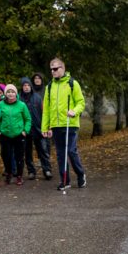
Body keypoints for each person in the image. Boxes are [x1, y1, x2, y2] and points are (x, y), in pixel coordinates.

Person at [41, 58, 86, 190]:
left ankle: (81, 175)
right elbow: (46, 110)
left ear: (63, 68)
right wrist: (45, 126)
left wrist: (74, 111)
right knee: (60, 154)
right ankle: (65, 181)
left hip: (70, 123)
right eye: (51, 69)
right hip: (56, 125)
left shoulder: (73, 83)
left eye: (55, 69)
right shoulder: (49, 87)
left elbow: (81, 102)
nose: (53, 71)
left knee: (71, 151)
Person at [20, 77, 52, 180]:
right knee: (27, 152)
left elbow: (44, 113)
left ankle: (47, 170)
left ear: (31, 86)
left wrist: (47, 127)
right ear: (22, 87)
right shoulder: (19, 99)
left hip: (39, 129)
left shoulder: (37, 97)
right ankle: (31, 171)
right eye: (24, 85)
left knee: (43, 150)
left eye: (28, 85)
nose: (26, 87)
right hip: (26, 130)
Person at [0, 84, 31, 186]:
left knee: (19, 157)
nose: (10, 94)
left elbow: (28, 119)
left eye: (12, 92)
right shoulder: (1, 105)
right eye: (8, 92)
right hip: (5, 135)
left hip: (18, 135)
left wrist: (25, 131)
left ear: (16, 93)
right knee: (6, 156)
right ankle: (9, 173)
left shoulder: (22, 105)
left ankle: (19, 176)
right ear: (5, 94)